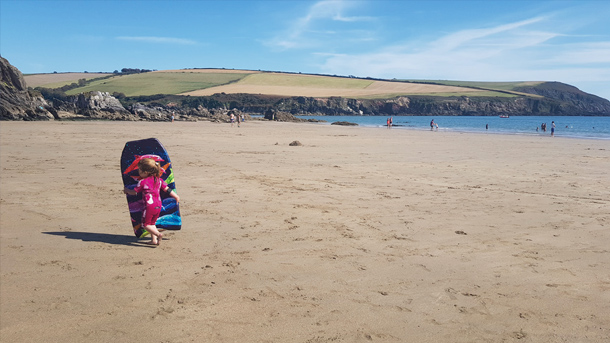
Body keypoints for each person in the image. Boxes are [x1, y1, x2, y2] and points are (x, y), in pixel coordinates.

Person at [123, 158, 180, 245]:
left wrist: (127, 190)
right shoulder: (159, 180)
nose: (138, 171)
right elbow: (167, 189)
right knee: (152, 223)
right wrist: (176, 196)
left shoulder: (142, 182)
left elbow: (134, 192)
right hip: (158, 205)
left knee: (145, 225)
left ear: (145, 172)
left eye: (139, 170)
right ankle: (154, 240)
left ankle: (158, 234)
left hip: (149, 206)